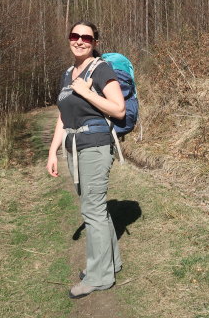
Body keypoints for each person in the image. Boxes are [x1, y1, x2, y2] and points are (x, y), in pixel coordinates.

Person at [47, 20, 126, 299]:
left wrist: (87, 92)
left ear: (95, 43)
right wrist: (53, 151)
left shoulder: (101, 69)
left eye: (87, 38)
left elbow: (119, 110)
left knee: (92, 211)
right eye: (74, 35)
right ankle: (110, 263)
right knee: (95, 209)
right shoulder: (68, 73)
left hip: (94, 145)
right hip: (73, 145)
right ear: (69, 38)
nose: (79, 41)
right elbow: (62, 116)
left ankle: (99, 277)